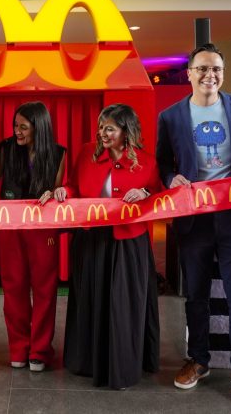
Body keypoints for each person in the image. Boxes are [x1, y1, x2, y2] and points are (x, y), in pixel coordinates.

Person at [156, 43, 231, 402]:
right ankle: (198, 360)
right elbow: (163, 162)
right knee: (196, 295)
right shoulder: (171, 116)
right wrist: (170, 178)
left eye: (217, 69)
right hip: (194, 217)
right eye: (203, 69)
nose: (210, 75)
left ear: (223, 73)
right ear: (189, 74)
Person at [53, 103, 162, 390]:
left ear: (127, 131)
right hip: (91, 240)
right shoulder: (86, 153)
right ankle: (88, 363)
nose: (103, 133)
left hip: (128, 244)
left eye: (110, 128)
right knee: (90, 300)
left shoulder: (147, 161)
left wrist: (144, 192)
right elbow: (74, 186)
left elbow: (157, 192)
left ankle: (122, 367)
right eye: (101, 127)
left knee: (122, 306)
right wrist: (64, 190)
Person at [0, 101, 66, 372]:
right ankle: (19, 349)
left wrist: (56, 192)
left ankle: (39, 351)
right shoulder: (6, 148)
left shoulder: (58, 153)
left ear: (39, 127)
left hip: (43, 229)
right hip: (10, 228)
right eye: (15, 126)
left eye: (23, 127)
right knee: (13, 288)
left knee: (45, 290)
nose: (17, 132)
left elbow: (59, 189)